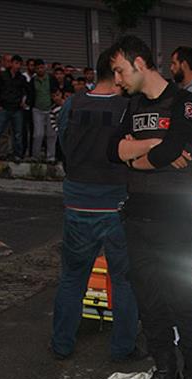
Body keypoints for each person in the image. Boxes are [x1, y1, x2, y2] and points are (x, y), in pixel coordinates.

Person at [106, 35, 192, 379]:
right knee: (149, 303)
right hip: (137, 220)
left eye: (120, 71)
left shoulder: (184, 102)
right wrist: (149, 147)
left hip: (175, 223)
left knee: (183, 301)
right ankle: (165, 371)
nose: (117, 80)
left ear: (139, 64)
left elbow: (171, 150)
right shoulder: (132, 104)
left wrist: (135, 154)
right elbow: (111, 150)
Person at [50, 50, 140, 362]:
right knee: (124, 280)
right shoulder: (128, 107)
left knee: (72, 277)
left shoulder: (73, 104)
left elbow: (63, 145)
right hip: (117, 203)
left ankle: (61, 344)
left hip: (78, 201)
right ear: (117, 73)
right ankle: (123, 347)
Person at [0, 54, 28, 160]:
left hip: (17, 108)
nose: (18, 66)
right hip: (4, 107)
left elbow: (26, 91)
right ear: (11, 63)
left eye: (20, 64)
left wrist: (24, 101)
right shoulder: (3, 75)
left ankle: (17, 154)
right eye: (16, 63)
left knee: (17, 134)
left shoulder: (22, 78)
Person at [28, 59, 57, 162]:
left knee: (51, 134)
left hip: (50, 109)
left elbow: (56, 91)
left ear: (45, 67)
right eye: (38, 68)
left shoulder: (51, 79)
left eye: (41, 67)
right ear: (35, 69)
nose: (40, 70)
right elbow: (30, 94)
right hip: (37, 110)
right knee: (38, 134)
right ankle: (35, 156)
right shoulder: (33, 81)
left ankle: (51, 157)